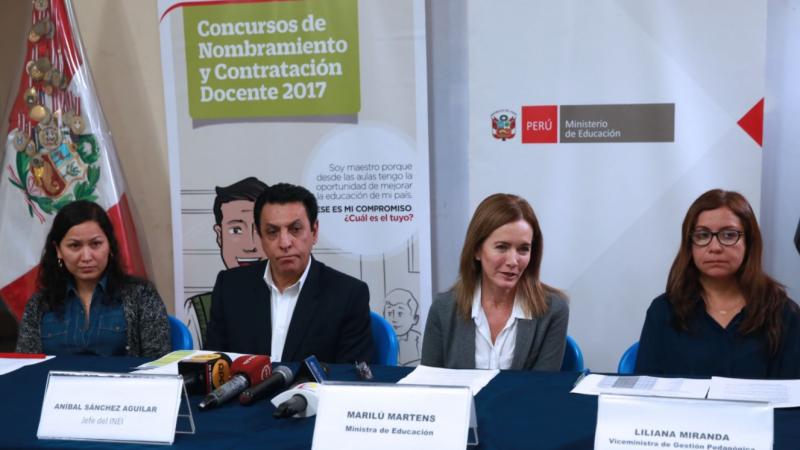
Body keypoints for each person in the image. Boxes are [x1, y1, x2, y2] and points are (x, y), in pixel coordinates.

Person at [636, 189, 800, 378]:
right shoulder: (663, 311)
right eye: (702, 235)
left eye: (729, 235)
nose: (715, 247)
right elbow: (645, 389)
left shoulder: (784, 314)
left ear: (749, 243)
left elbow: (791, 392)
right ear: (690, 245)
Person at [205, 183, 374, 363]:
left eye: (295, 229)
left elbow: (349, 374)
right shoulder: (230, 287)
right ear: (260, 236)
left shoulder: (348, 294)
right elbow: (214, 364)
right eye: (272, 232)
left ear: (314, 231)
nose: (285, 243)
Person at [421, 193, 569, 370]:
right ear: (476, 250)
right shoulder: (443, 309)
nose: (513, 261)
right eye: (501, 247)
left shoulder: (553, 311)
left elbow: (542, 384)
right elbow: (429, 381)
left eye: (523, 249)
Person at [16, 201, 170, 357]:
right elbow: (26, 363)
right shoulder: (39, 304)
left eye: (95, 244)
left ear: (110, 245)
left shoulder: (141, 295)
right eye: (75, 246)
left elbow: (158, 362)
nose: (86, 257)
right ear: (58, 250)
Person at [183, 177, 268, 348]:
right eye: (236, 230)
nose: (250, 246)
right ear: (219, 235)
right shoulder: (200, 308)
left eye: (259, 230)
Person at [383, 288, 422, 366]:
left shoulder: (419, 340)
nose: (394, 319)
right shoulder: (382, 339)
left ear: (415, 319)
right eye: (390, 313)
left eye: (400, 313)